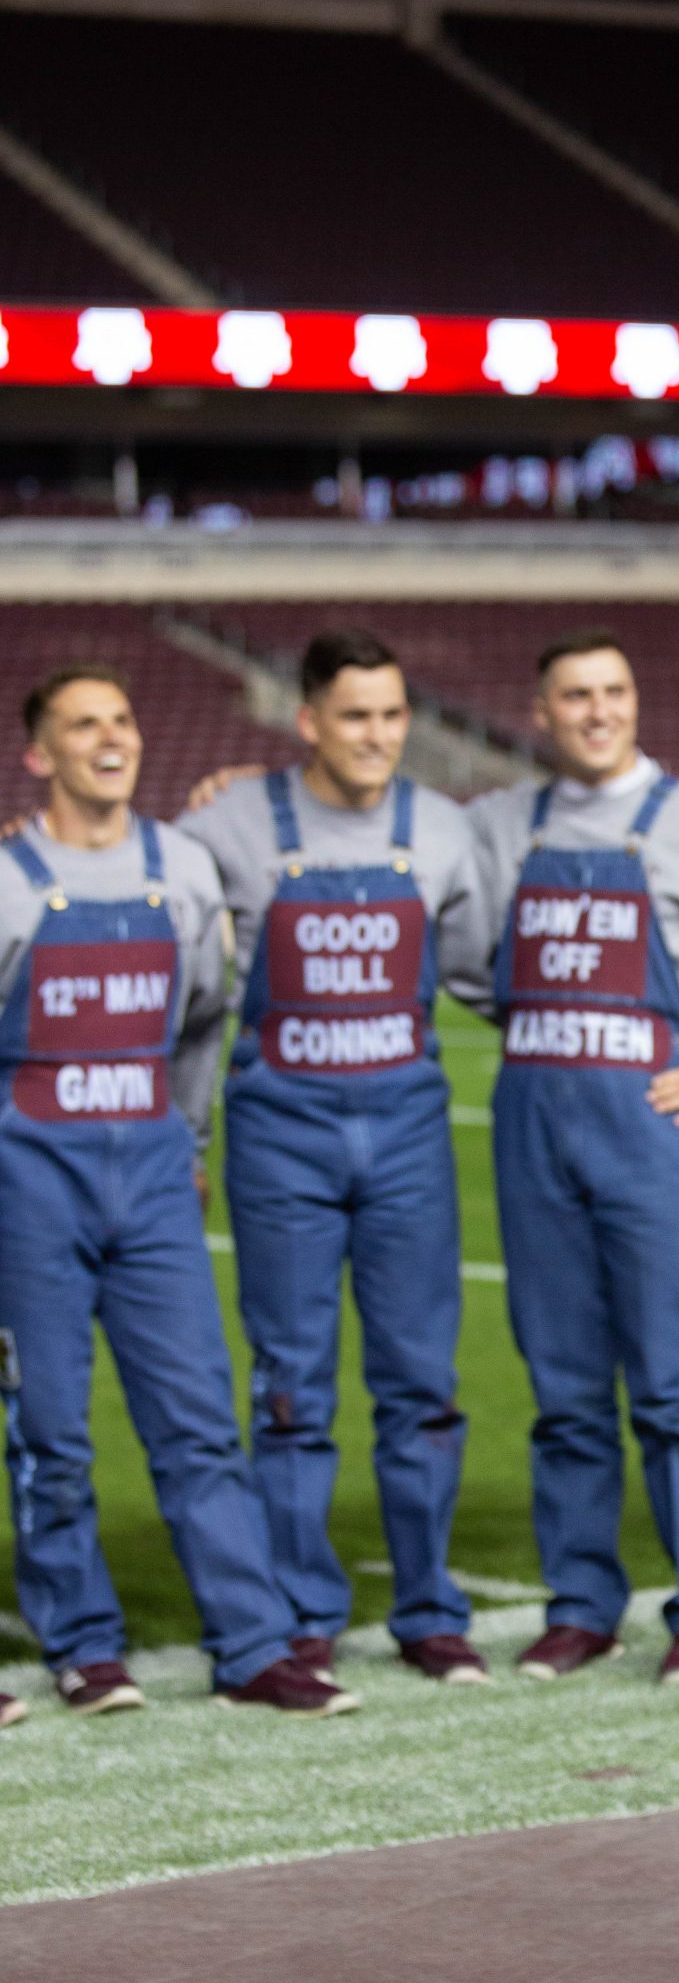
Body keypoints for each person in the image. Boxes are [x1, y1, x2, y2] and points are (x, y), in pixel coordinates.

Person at [0, 666, 356, 1717]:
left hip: (154, 1176)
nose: (110, 738)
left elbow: (206, 1017)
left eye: (122, 718)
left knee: (199, 1418)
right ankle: (83, 1644)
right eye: (82, 725)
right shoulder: (12, 879)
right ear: (39, 753)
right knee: (50, 1427)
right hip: (31, 1182)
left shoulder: (185, 869)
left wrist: (187, 1136)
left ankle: (250, 1642)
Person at [179, 631, 491, 1681]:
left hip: (405, 1133)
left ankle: (429, 1608)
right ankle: (302, 1608)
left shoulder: (444, 831)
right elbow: (150, 906)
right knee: (290, 1386)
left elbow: (493, 973)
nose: (378, 736)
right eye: (355, 716)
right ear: (306, 719)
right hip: (279, 1139)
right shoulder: (226, 822)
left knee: (421, 1380)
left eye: (393, 715)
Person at [466, 628, 679, 1685]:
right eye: (574, 695)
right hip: (533, 1119)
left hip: (648, 1126)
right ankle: (580, 1604)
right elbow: (451, 944)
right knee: (562, 1388)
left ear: (635, 701)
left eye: (614, 690)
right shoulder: (495, 826)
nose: (597, 710)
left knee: (671, 1384)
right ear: (540, 713)